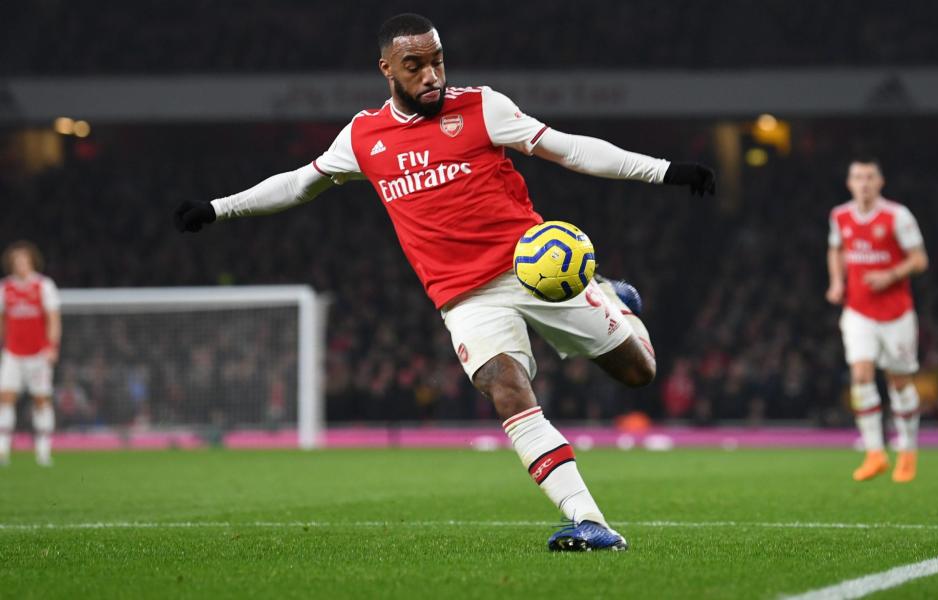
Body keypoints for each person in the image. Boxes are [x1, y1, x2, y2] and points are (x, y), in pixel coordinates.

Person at [175, 13, 715, 550]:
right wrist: (220, 209)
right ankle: (589, 521)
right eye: (415, 66)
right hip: (464, 297)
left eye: (437, 61)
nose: (431, 75)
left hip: (534, 267)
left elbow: (569, 149)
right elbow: (298, 185)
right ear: (387, 68)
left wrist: (666, 171)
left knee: (638, 373)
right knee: (506, 388)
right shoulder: (364, 137)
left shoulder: (483, 107)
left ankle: (615, 303)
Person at [826, 158, 928, 483]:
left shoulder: (897, 216)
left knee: (898, 381)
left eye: (870, 177)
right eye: (858, 177)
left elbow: (919, 259)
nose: (864, 183)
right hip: (858, 311)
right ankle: (874, 453)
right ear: (849, 182)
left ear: (880, 182)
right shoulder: (840, 215)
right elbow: (836, 249)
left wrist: (890, 275)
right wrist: (837, 281)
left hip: (896, 312)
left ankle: (908, 451)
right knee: (860, 374)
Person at [0, 241, 61, 466]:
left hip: (38, 354)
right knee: (5, 397)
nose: (20, 264)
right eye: (16, 260)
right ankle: (3, 450)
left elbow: (53, 319)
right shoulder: (5, 288)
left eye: (24, 260)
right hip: (12, 353)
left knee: (41, 400)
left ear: (32, 261)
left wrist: (52, 346)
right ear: (11, 263)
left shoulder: (44, 286)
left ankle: (43, 452)